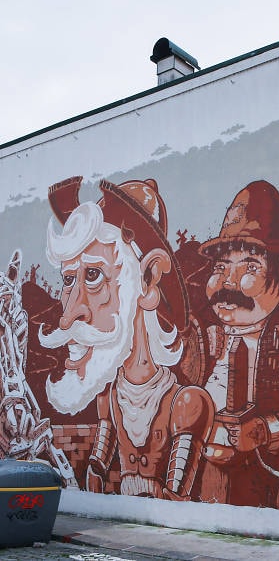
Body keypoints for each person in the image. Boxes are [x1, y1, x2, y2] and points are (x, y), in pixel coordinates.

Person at [40, 176, 214, 500]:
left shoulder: (187, 405)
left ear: (146, 283)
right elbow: (94, 481)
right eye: (68, 279)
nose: (68, 316)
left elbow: (176, 512)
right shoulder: (108, 399)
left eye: (93, 275)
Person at [196, 180, 279, 510]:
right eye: (221, 267)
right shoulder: (211, 338)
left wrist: (264, 430)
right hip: (217, 470)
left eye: (250, 266)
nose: (227, 282)